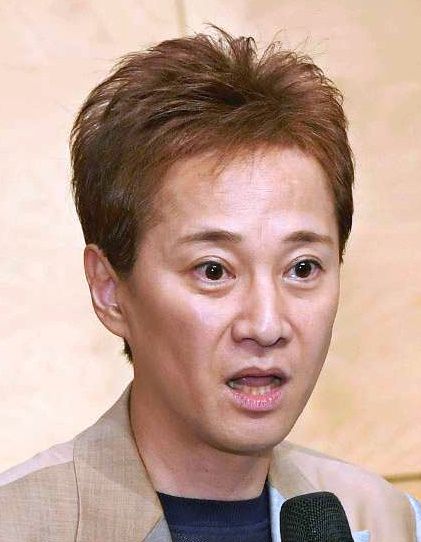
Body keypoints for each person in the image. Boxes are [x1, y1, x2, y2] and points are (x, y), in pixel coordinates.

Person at [0, 27, 419, 542]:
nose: (266, 325)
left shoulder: (386, 519)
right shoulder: (19, 525)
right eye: (214, 271)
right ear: (110, 290)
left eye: (302, 268)